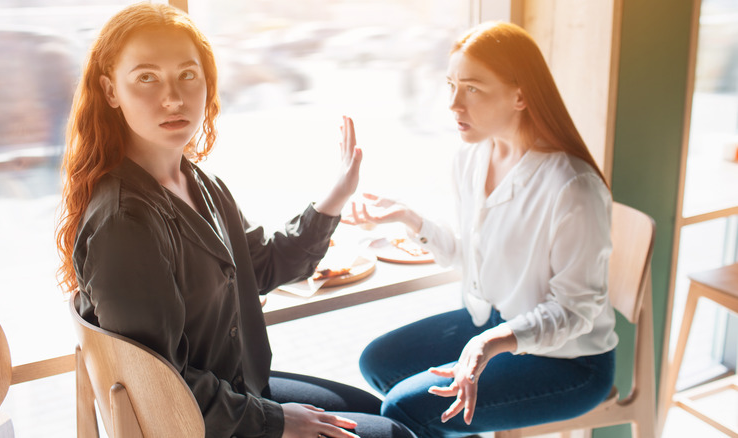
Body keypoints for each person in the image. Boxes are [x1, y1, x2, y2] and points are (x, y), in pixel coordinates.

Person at [55, 4, 414, 438]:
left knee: (382, 412)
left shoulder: (197, 181)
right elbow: (160, 392)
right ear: (111, 91)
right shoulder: (125, 223)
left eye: (188, 74)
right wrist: (277, 422)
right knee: (396, 433)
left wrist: (334, 198)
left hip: (239, 392)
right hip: (201, 423)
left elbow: (259, 266)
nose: (173, 97)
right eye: (146, 77)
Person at [344, 21, 617, 437]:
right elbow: (469, 257)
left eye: (472, 88)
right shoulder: (472, 159)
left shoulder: (573, 188)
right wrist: (408, 218)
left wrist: (491, 343)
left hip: (569, 360)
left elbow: (576, 311)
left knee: (404, 408)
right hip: (492, 324)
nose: (453, 103)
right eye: (450, 84)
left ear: (520, 95)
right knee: (377, 363)